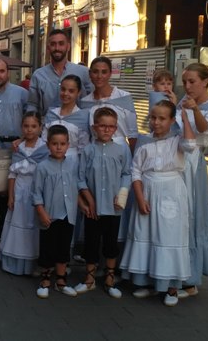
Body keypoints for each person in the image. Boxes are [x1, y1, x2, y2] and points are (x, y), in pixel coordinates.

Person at [121, 100, 196, 307]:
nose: (156, 122)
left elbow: (191, 145)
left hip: (171, 191)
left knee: (168, 235)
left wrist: (186, 119)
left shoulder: (178, 140)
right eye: (153, 117)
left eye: (162, 118)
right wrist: (139, 197)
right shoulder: (145, 141)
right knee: (146, 233)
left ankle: (171, 286)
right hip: (147, 190)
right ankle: (148, 281)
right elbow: (135, 170)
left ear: (172, 120)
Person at [176, 63, 208, 297]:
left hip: (192, 162)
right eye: (185, 82)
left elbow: (204, 129)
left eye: (192, 82)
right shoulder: (183, 100)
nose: (187, 86)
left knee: (191, 217)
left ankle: (190, 278)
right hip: (174, 160)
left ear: (205, 81)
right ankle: (172, 273)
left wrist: (195, 109)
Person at [74, 108, 130, 299]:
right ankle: (89, 279)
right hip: (93, 207)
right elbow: (80, 178)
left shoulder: (122, 150)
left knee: (111, 243)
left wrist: (122, 194)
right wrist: (89, 200)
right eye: (102, 126)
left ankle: (109, 279)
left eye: (111, 126)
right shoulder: (88, 150)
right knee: (91, 242)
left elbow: (127, 173)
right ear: (94, 127)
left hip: (113, 208)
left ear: (116, 128)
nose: (106, 130)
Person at [33, 125, 80, 299]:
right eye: (55, 144)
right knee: (48, 246)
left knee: (63, 247)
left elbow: (77, 185)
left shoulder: (73, 165)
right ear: (48, 145)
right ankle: (45, 280)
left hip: (68, 214)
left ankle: (61, 281)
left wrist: (82, 203)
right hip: (50, 215)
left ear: (68, 145)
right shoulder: (42, 167)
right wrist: (42, 212)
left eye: (62, 144)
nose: (58, 147)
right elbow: (36, 193)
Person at [0, 111, 48, 275]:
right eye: (26, 126)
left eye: (33, 126)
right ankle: (15, 262)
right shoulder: (18, 148)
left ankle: (33, 263)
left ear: (40, 128)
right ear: (21, 128)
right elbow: (13, 173)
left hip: (36, 191)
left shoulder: (44, 149)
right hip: (20, 190)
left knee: (32, 224)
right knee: (18, 222)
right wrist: (11, 195)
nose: (29, 130)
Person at [80, 56, 139, 153]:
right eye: (95, 72)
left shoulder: (124, 97)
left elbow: (133, 134)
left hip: (120, 152)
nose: (99, 76)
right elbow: (84, 134)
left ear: (110, 74)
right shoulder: (85, 103)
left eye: (104, 72)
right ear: (90, 74)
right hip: (95, 152)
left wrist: (133, 158)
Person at [27, 29, 92, 115]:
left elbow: (91, 100)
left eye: (61, 44)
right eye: (53, 44)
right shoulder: (38, 75)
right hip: (48, 125)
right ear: (48, 48)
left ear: (68, 46)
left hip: (77, 125)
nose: (57, 48)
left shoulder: (83, 72)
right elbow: (32, 105)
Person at [41, 75, 91, 157]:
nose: (65, 93)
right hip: (49, 159)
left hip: (72, 162)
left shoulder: (83, 117)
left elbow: (83, 146)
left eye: (71, 91)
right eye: (63, 89)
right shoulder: (51, 113)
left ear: (78, 93)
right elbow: (44, 140)